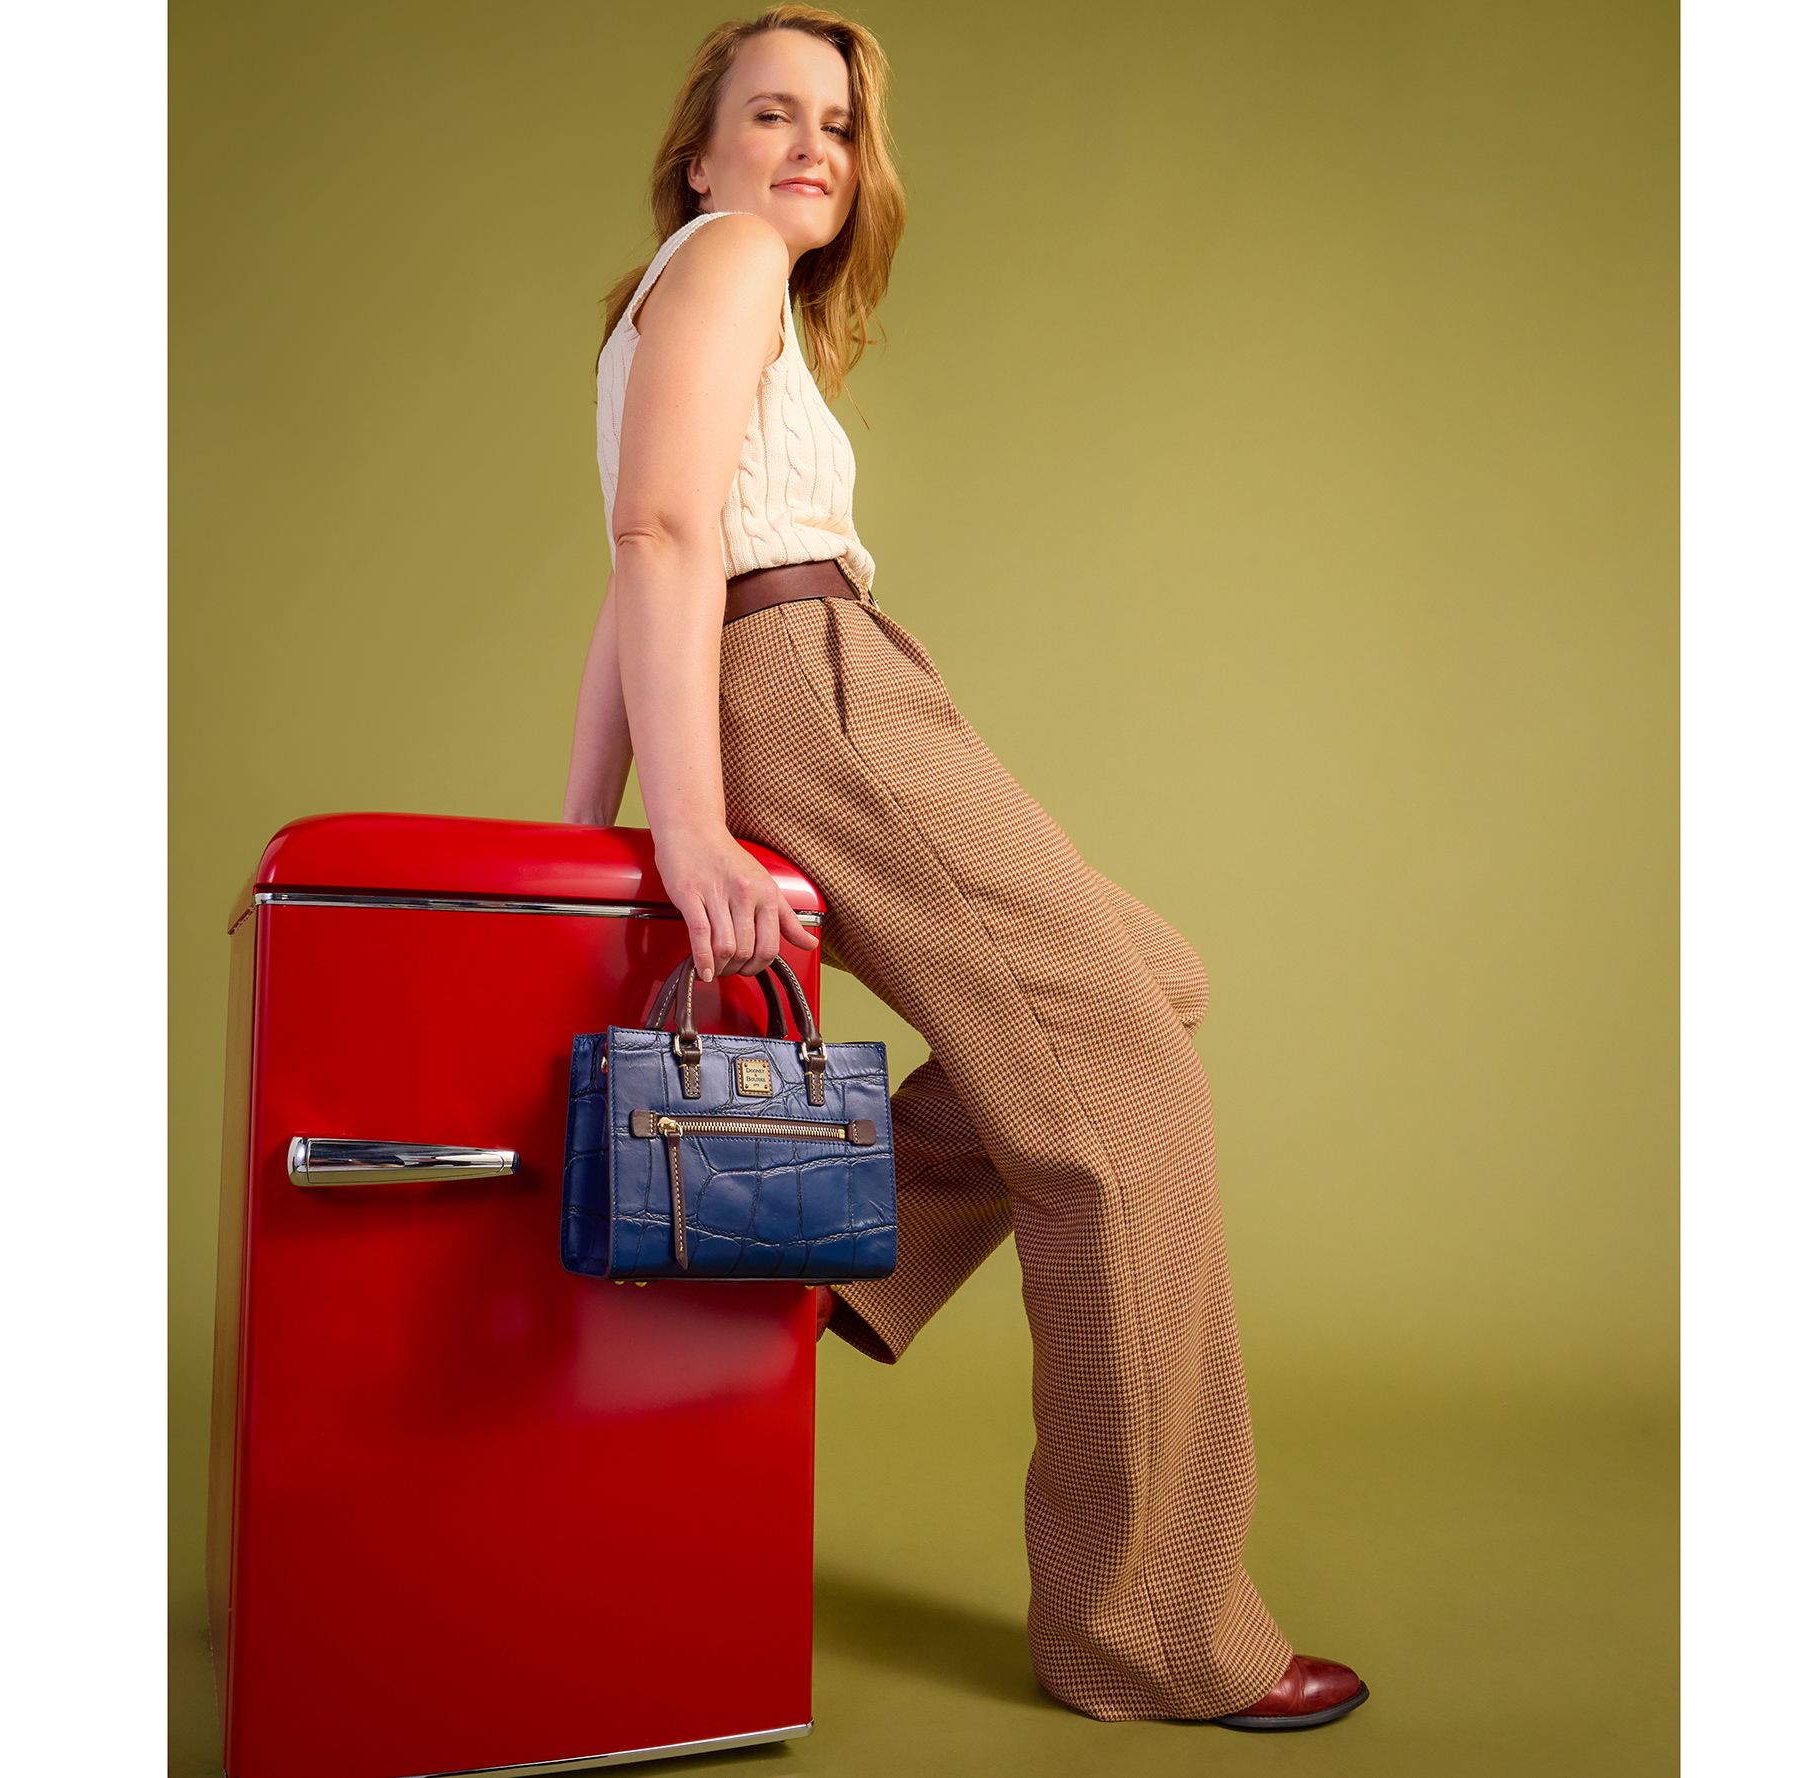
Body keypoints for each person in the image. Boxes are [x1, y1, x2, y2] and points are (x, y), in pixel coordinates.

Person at [560, 6, 1369, 1735]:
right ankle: (1151, 1630)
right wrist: (681, 831)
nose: (811, 149)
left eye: (839, 126)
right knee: (1125, 1107)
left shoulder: (689, 305)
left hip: (813, 675)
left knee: (1147, 983)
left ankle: (846, 1250)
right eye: (770, 115)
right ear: (696, 160)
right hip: (811, 683)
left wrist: (585, 839)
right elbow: (662, 540)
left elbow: (637, 584)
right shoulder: (721, 261)